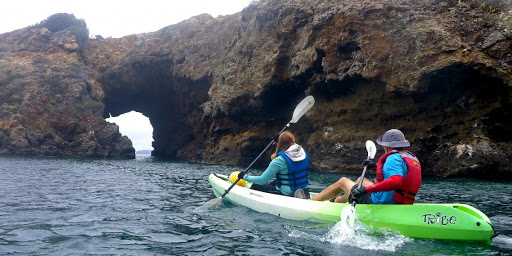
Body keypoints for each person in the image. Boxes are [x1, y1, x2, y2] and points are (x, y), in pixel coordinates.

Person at [311, 129, 422, 204]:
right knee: (360, 180)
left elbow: (396, 181)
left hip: (382, 202)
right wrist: (375, 166)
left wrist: (366, 190)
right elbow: (399, 173)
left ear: (386, 145)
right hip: (400, 200)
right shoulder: (409, 157)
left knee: (343, 182)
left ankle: (310, 203)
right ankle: (338, 202)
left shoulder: (392, 158)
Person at [237, 131, 310, 198]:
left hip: (285, 193)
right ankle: (299, 193)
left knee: (256, 185)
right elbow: (290, 143)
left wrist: (244, 177)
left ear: (280, 145)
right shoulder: (302, 152)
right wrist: (279, 139)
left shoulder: (279, 161)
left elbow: (262, 180)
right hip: (303, 188)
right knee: (274, 182)